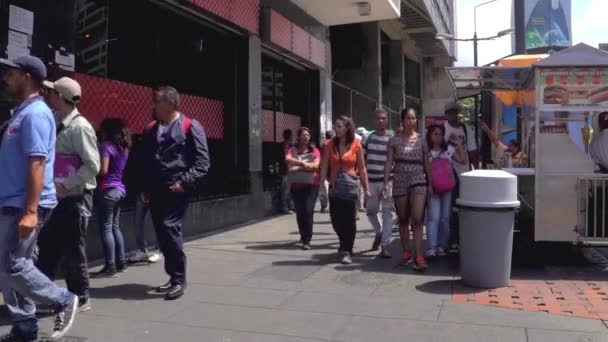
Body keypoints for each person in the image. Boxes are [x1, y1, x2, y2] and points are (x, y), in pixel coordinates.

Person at [0, 56, 79, 342]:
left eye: (11, 74)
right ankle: (24, 327)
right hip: (12, 200)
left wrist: (30, 211)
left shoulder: (35, 114)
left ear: (27, 77)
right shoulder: (21, 112)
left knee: (12, 265)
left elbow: (37, 163)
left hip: (25, 203)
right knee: (8, 266)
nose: (5, 79)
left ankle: (63, 299)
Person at [37, 77, 100, 314]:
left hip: (75, 197)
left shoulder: (80, 127)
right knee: (48, 246)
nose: (48, 95)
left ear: (61, 97)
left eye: (52, 92)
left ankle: (81, 297)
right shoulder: (54, 120)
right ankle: (45, 295)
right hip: (55, 195)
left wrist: (67, 185)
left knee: (73, 248)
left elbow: (92, 165)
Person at [141, 86, 210, 300]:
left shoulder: (190, 126)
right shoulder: (151, 128)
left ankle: (179, 279)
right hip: (155, 189)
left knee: (170, 229)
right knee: (162, 233)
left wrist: (185, 182)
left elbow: (202, 162)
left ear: (171, 104)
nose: (154, 106)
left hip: (176, 188)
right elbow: (144, 160)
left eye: (158, 101)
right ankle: (173, 277)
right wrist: (144, 187)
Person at [384, 108, 431, 271]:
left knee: (417, 218)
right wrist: (385, 183)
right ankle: (406, 252)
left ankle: (419, 255)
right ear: (403, 120)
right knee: (403, 218)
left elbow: (427, 162)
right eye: (409, 118)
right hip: (400, 179)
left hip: (418, 178)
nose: (412, 121)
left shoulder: (422, 140)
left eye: (414, 118)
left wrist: (430, 183)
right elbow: (389, 161)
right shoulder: (394, 140)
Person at [319, 116, 369, 265]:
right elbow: (324, 166)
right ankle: (344, 243)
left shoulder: (356, 145)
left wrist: (366, 189)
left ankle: (346, 249)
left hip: (350, 187)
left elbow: (362, 168)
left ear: (347, 128)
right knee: (336, 220)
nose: (336, 128)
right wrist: (321, 184)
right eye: (336, 126)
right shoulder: (329, 145)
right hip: (335, 186)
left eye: (339, 126)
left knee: (349, 221)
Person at [92, 119, 131, 278]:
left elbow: (103, 170)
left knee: (106, 228)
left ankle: (110, 266)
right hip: (120, 189)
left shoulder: (106, 147)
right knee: (115, 226)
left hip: (108, 190)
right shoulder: (123, 148)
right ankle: (121, 263)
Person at [425, 125, 465, 258]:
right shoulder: (427, 152)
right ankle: (432, 247)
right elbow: (427, 170)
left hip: (447, 188)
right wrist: (429, 185)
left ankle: (442, 246)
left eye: (440, 134)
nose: (438, 137)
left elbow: (462, 159)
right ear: (430, 135)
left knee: (445, 218)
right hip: (433, 188)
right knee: (434, 217)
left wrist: (458, 144)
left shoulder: (448, 150)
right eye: (435, 134)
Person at [443, 106, 479, 253]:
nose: (453, 115)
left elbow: (473, 150)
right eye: (450, 112)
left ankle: (461, 239)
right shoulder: (442, 128)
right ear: (446, 114)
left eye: (455, 112)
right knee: (450, 208)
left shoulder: (466, 129)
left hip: (464, 174)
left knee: (461, 208)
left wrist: (476, 171)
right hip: (446, 174)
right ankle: (451, 240)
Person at [124, 135, 162, 264]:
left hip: (154, 191)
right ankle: (143, 250)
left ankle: (158, 249)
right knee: (139, 223)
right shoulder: (142, 154)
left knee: (156, 222)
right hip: (144, 191)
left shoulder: (157, 156)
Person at [364, 110, 394, 258]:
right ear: (374, 121)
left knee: (388, 213)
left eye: (383, 118)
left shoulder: (393, 138)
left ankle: (385, 244)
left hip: (388, 182)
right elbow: (361, 160)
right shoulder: (367, 138)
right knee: (370, 212)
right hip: (370, 181)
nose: (381, 121)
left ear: (387, 120)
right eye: (378, 118)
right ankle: (379, 232)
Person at [285, 127, 321, 250]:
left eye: (308, 135)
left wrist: (298, 167)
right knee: (300, 212)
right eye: (304, 135)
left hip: (312, 185)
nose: (306, 137)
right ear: (299, 136)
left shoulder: (314, 150)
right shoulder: (292, 149)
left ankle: (307, 240)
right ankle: (302, 235)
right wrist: (304, 163)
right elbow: (288, 159)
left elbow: (316, 166)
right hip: (296, 185)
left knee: (308, 211)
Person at [318, 130, 334, 213]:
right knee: (330, 188)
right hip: (331, 169)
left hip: (323, 168)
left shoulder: (322, 145)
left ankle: (323, 206)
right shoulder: (331, 144)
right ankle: (329, 206)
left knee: (323, 188)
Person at [280, 129, 295, 214]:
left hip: (288, 170)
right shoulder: (286, 145)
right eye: (291, 135)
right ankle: (285, 207)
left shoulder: (289, 145)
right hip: (286, 170)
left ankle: (289, 205)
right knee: (286, 190)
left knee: (288, 189)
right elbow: (286, 158)